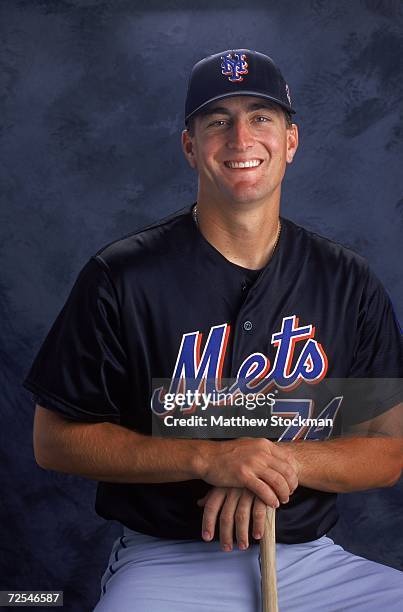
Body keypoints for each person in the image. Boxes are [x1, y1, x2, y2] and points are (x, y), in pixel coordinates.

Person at [24, 49, 403, 611]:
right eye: (218, 121)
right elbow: (53, 441)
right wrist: (209, 458)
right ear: (189, 146)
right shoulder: (122, 276)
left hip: (311, 558)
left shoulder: (347, 280)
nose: (241, 138)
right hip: (166, 557)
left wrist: (276, 462)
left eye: (261, 117)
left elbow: (388, 448)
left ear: (291, 142)